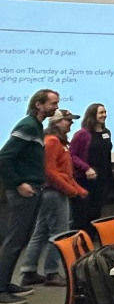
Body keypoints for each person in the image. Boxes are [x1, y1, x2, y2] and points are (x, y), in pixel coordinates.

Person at [0, 89, 59, 304]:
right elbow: (4, 158)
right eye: (52, 103)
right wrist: (18, 183)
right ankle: (0, 288)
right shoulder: (27, 125)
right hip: (22, 191)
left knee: (20, 239)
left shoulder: (36, 127)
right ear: (39, 105)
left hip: (33, 190)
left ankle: (5, 284)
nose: (55, 107)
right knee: (14, 240)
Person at [20, 109, 85, 288]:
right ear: (57, 122)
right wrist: (70, 190)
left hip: (52, 192)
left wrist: (76, 188)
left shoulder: (56, 141)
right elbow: (50, 172)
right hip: (54, 193)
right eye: (67, 120)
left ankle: (29, 270)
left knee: (40, 232)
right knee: (58, 233)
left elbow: (64, 172)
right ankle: (52, 272)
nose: (71, 123)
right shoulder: (52, 142)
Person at [69, 103, 113, 229]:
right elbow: (72, 155)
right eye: (101, 113)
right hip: (85, 180)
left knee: (96, 213)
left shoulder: (107, 132)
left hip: (102, 179)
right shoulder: (82, 134)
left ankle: (92, 242)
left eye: (105, 112)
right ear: (92, 115)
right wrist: (86, 168)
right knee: (82, 215)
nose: (104, 115)